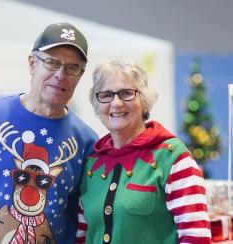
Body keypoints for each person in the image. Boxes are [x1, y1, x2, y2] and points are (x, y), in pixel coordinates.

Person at [0, 22, 98, 244]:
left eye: (72, 68)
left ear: (80, 76)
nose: (61, 74)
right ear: (32, 63)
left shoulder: (86, 142)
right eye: (52, 63)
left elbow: (77, 216)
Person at [76, 60, 211, 243]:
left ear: (144, 101)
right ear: (97, 106)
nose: (116, 103)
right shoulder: (92, 164)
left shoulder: (172, 158)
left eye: (126, 93)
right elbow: (82, 236)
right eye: (106, 95)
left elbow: (196, 237)